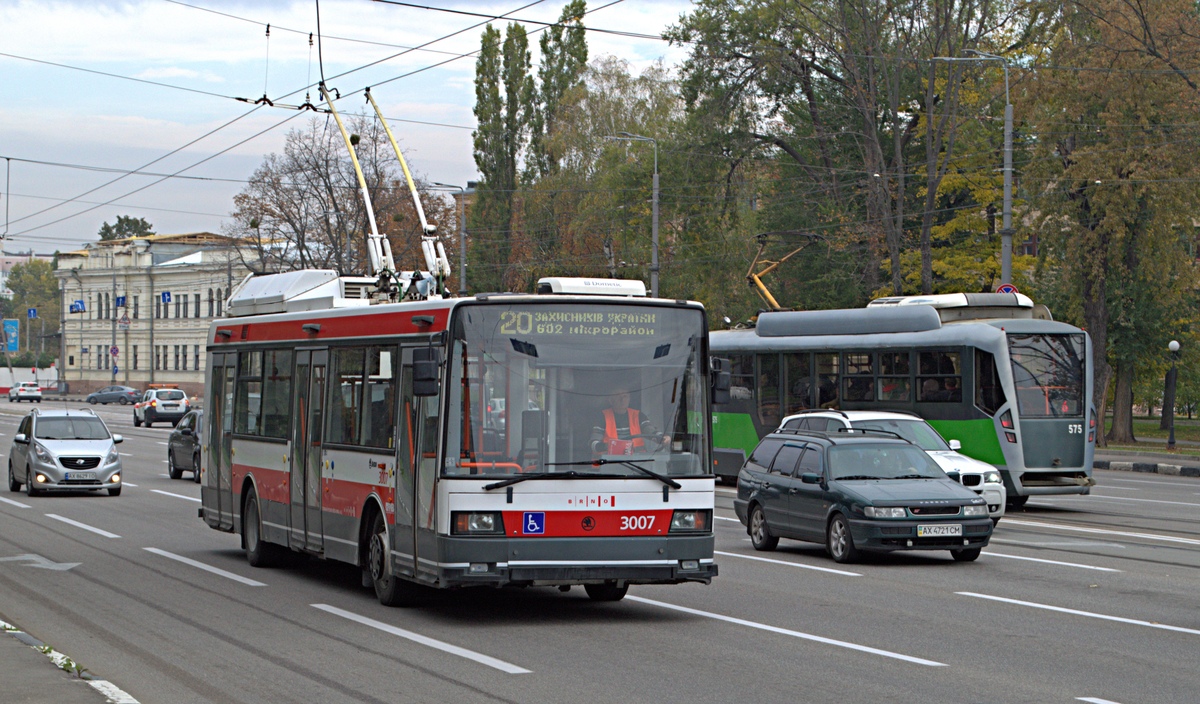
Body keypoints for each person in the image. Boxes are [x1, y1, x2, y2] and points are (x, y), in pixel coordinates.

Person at [591, 387, 669, 455]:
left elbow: (650, 431)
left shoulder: (638, 415)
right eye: (618, 396)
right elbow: (593, 443)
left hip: (637, 463)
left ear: (629, 399)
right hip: (608, 463)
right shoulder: (602, 416)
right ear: (611, 400)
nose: (622, 400)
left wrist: (662, 438)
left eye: (625, 396)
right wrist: (605, 446)